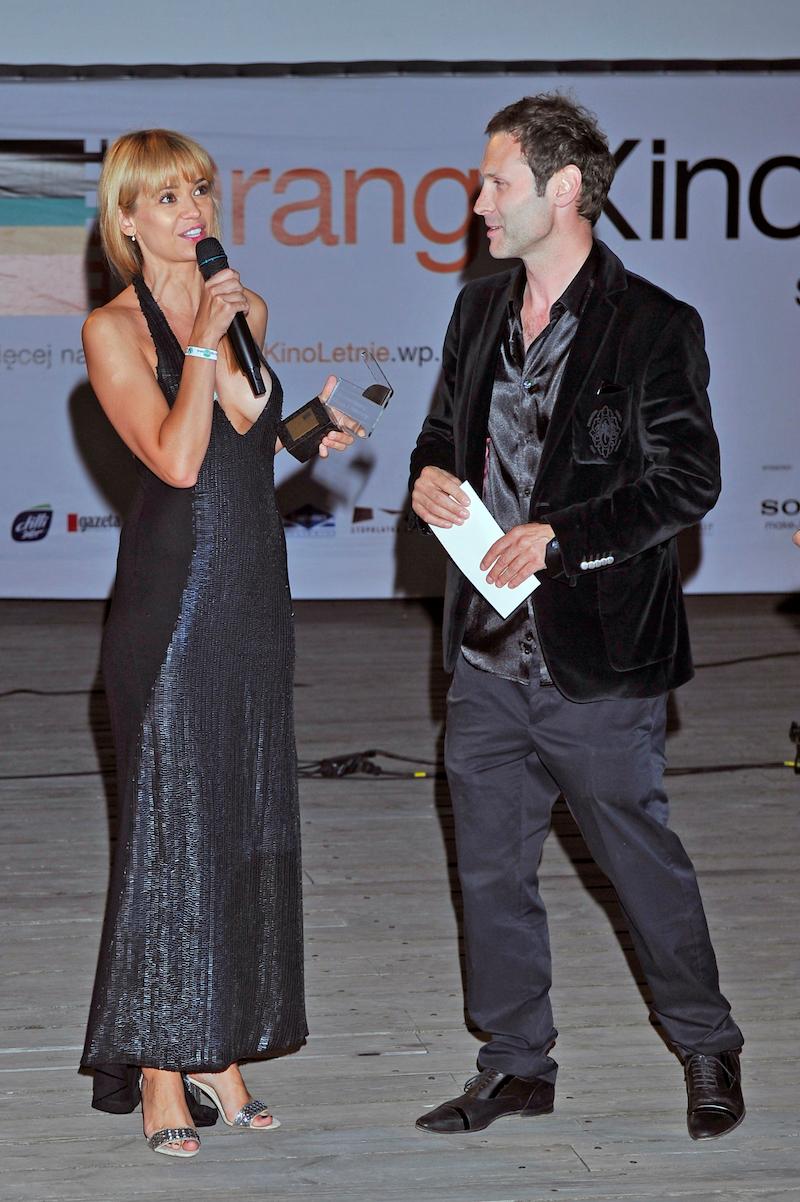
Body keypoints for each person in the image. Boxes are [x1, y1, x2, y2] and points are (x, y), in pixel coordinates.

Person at [409, 93, 744, 1141]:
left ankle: (706, 1041)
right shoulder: (475, 312)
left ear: (561, 189)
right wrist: (429, 472)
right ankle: (514, 1062)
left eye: (494, 182)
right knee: (489, 873)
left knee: (639, 866)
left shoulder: (653, 325)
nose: (476, 202)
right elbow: (441, 429)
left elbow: (686, 483)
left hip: (597, 659)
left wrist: (560, 535)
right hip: (484, 658)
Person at [80, 129, 356, 1157]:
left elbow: (244, 440)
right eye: (165, 196)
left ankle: (219, 1047)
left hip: (251, 593)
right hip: (173, 603)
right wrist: (201, 337)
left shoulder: (244, 307)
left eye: (197, 187)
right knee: (173, 828)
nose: (190, 207)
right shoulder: (111, 330)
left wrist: (308, 428)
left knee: (240, 819)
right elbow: (178, 458)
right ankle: (162, 1064)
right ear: (126, 218)